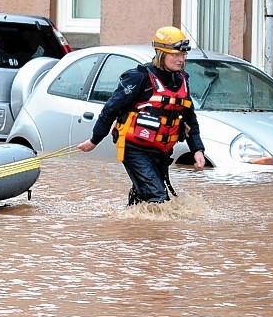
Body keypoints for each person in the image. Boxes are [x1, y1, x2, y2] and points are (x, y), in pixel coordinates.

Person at [77, 26, 208, 204]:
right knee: (158, 199)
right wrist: (94, 139)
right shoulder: (139, 77)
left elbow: (189, 119)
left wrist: (197, 149)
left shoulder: (182, 80)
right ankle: (156, 231)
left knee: (143, 199)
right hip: (135, 149)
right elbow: (110, 109)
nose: (180, 59)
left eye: (183, 55)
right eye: (175, 55)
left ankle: (131, 228)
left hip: (161, 151)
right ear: (161, 53)